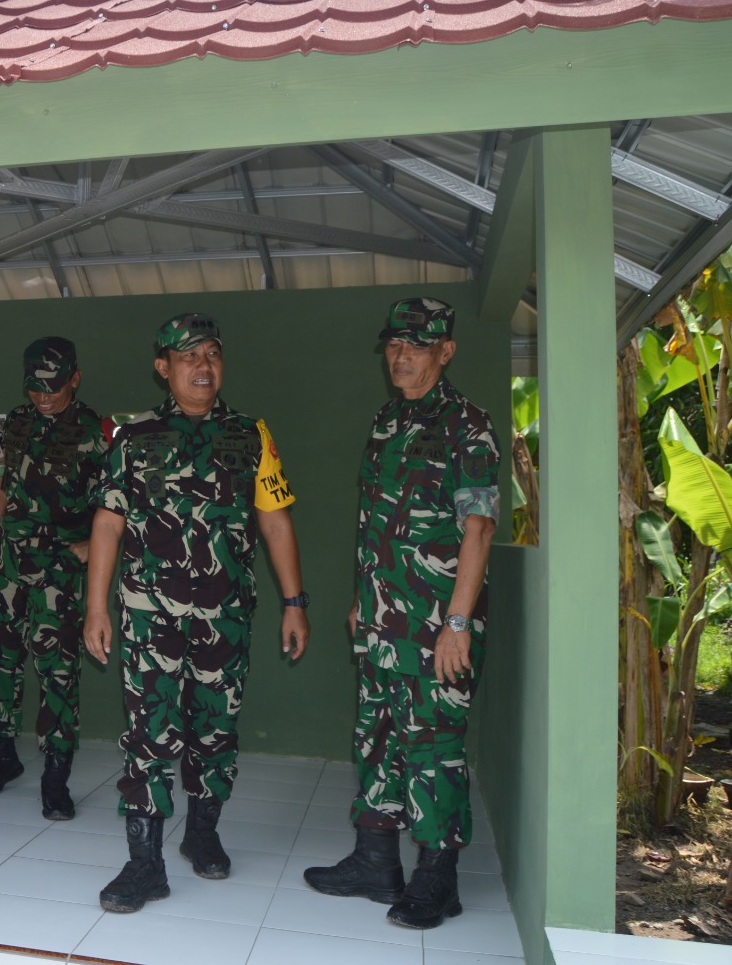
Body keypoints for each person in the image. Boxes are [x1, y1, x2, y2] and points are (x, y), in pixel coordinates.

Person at [84, 313, 310, 914]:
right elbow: (107, 523)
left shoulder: (251, 435)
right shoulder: (131, 441)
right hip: (149, 618)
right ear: (164, 367)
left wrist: (294, 602)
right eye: (188, 357)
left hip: (224, 618)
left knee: (215, 729)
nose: (202, 366)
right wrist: (94, 607)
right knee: (148, 735)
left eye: (211, 354)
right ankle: (144, 864)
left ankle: (202, 832)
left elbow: (274, 519)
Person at [303, 297, 499, 930]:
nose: (401, 355)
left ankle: (437, 879)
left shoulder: (468, 425)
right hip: (384, 620)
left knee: (434, 748)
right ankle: (374, 862)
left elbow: (477, 530)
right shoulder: (388, 420)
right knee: (378, 738)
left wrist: (458, 623)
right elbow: (377, 522)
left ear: (446, 351)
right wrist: (364, 599)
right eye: (394, 344)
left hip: (436, 627)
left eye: (417, 345)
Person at [0, 336, 108, 819]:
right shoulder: (17, 422)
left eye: (54, 386)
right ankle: (1, 758)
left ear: (75, 378)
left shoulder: (96, 431)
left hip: (60, 571)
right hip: (7, 566)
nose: (44, 396)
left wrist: (94, 545)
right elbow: (1, 492)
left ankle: (55, 776)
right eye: (36, 388)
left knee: (57, 671)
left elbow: (119, 504)